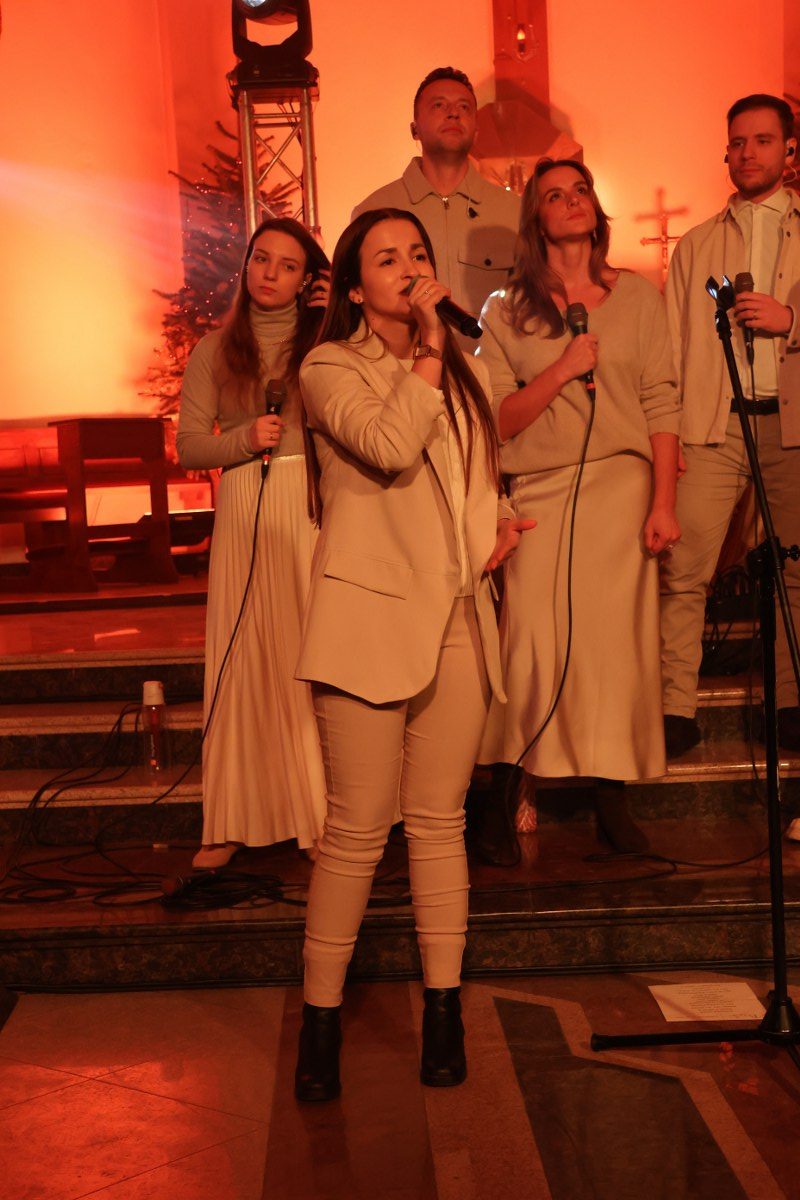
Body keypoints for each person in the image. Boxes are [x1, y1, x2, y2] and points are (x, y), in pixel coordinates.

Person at [292, 207, 533, 1101]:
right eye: (386, 259)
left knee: (438, 825)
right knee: (357, 830)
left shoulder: (465, 371)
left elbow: (474, 477)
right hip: (366, 620)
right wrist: (430, 349)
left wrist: (495, 525)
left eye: (418, 254)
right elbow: (391, 447)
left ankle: (443, 1011)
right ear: (355, 288)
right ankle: (320, 1023)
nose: (408, 268)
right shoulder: (328, 366)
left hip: (457, 616)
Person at [477, 158, 681, 855]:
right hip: (540, 487)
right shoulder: (506, 310)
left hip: (622, 487)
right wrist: (563, 367)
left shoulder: (639, 297)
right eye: (554, 195)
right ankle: (507, 788)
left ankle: (611, 796)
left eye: (580, 190)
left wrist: (663, 502)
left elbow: (661, 401)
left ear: (596, 208)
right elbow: (497, 420)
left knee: (616, 648)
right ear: (536, 218)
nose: (571, 202)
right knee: (531, 640)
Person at [177, 217, 330, 869]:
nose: (269, 273)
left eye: (287, 265)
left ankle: (322, 815)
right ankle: (234, 816)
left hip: (310, 506)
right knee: (242, 661)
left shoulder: (325, 343)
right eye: (261, 259)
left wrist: (335, 319)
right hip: (244, 503)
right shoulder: (214, 350)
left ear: (307, 280)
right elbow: (189, 447)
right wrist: (243, 439)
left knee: (308, 656)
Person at [661, 93, 800, 765]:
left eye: (762, 140)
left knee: (795, 569)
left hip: (791, 425)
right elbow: (671, 346)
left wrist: (790, 321)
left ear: (789, 150)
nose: (748, 153)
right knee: (684, 566)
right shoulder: (696, 244)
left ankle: (790, 706)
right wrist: (670, 438)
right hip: (712, 425)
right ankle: (673, 707)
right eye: (738, 142)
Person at [351, 67, 520, 322]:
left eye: (464, 107)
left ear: (476, 130)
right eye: (439, 105)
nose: (453, 113)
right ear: (414, 129)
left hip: (487, 350)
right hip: (405, 349)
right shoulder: (373, 210)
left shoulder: (513, 211)